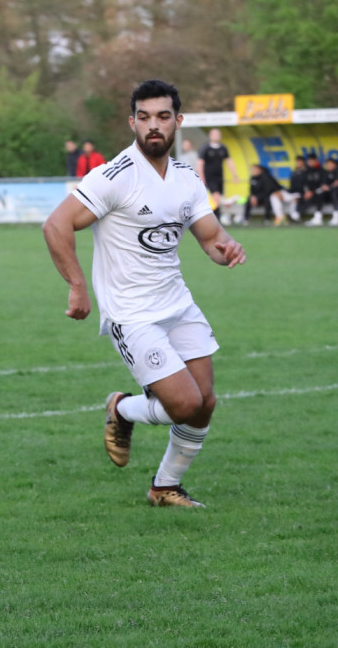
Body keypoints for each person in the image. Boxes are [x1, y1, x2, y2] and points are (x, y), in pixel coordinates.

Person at [43, 79, 246, 508]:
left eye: (163, 116)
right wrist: (78, 285)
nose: (154, 126)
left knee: (205, 402)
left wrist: (224, 247)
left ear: (179, 121)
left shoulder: (187, 177)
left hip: (177, 303)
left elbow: (210, 237)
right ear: (132, 121)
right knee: (184, 404)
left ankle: (164, 486)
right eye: (145, 117)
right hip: (131, 313)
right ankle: (121, 410)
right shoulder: (114, 176)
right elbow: (56, 225)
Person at [199, 128, 239, 221]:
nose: (216, 136)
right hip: (209, 177)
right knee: (216, 198)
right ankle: (214, 219)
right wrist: (201, 177)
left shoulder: (223, 148)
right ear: (210, 136)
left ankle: (214, 218)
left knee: (217, 199)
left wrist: (235, 175)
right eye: (214, 134)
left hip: (219, 177)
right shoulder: (205, 148)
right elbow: (200, 163)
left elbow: (229, 161)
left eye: (218, 134)